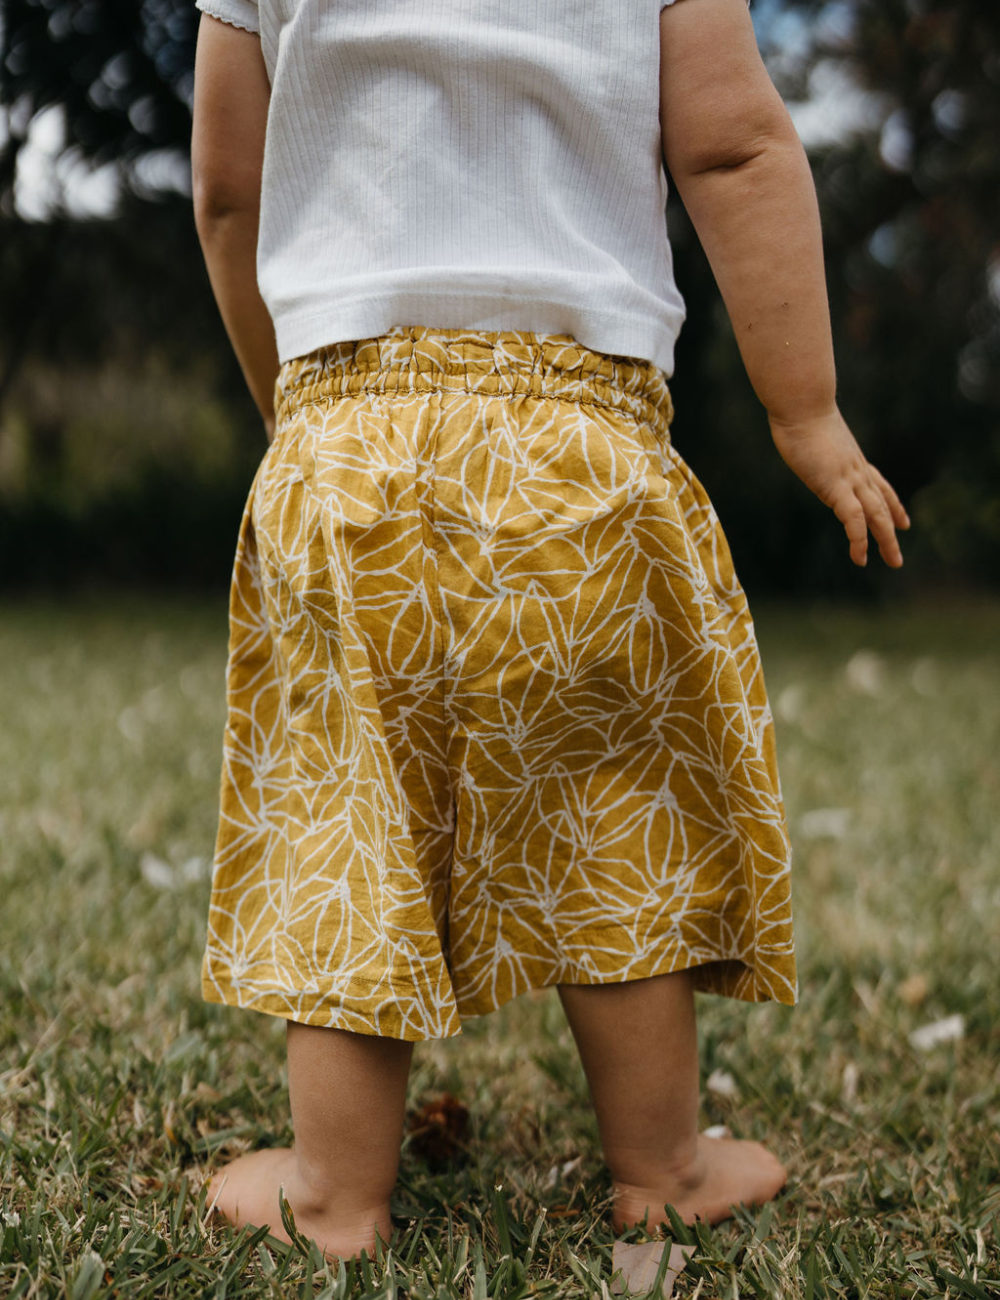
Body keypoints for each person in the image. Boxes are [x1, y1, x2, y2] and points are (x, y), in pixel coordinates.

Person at [190, 0, 909, 1266]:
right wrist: (806, 411)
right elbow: (735, 147)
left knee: (351, 821)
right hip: (582, 450)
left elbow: (228, 190)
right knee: (613, 809)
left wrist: (289, 406)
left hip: (345, 444)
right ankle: (664, 1165)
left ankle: (336, 1192)